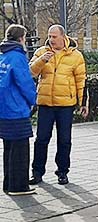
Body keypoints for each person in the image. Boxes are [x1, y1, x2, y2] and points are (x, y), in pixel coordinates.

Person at [29, 24, 87, 186]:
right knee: (41, 139)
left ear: (63, 37)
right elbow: (31, 72)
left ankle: (62, 172)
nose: (51, 39)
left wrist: (83, 103)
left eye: (54, 36)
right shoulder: (41, 52)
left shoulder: (75, 56)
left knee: (64, 140)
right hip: (46, 103)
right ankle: (37, 172)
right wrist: (42, 61)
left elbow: (81, 81)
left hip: (65, 105)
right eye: (49, 36)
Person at [0, 24, 37, 196]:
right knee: (20, 149)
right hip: (17, 109)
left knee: (8, 148)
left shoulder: (3, 56)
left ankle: (8, 183)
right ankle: (18, 186)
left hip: (4, 109)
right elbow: (25, 82)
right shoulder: (18, 57)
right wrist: (33, 100)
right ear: (21, 38)